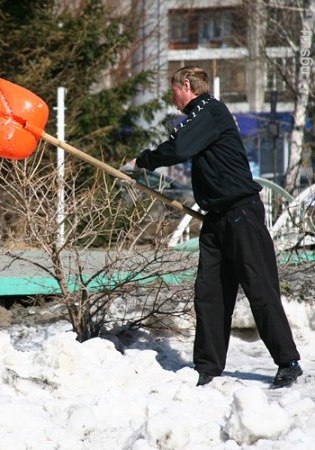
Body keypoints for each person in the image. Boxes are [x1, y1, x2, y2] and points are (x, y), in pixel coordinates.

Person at [123, 66, 302, 388]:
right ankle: (208, 367)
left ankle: (288, 362)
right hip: (216, 218)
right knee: (211, 294)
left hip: (241, 214)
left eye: (173, 91)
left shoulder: (209, 109)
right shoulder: (198, 117)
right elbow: (182, 145)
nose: (172, 98)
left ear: (187, 85)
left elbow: (178, 149)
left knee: (259, 288)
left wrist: (141, 162)